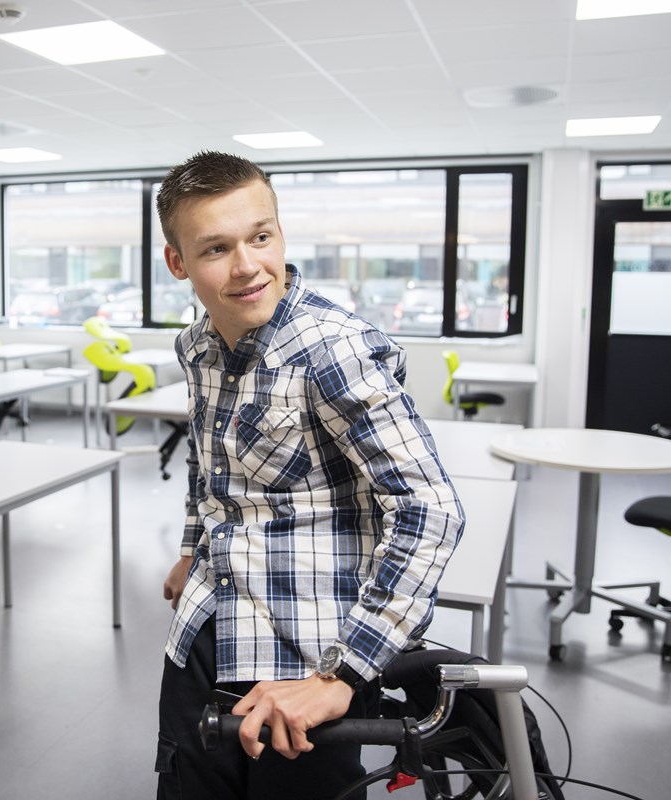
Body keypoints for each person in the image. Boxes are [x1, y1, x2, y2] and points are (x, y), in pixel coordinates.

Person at [154, 150, 465, 800]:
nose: (247, 267)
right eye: (215, 249)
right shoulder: (198, 345)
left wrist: (342, 677)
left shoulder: (334, 351)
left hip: (305, 661)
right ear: (177, 262)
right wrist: (192, 546)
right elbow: (206, 455)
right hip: (206, 628)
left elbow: (429, 510)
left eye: (260, 237)